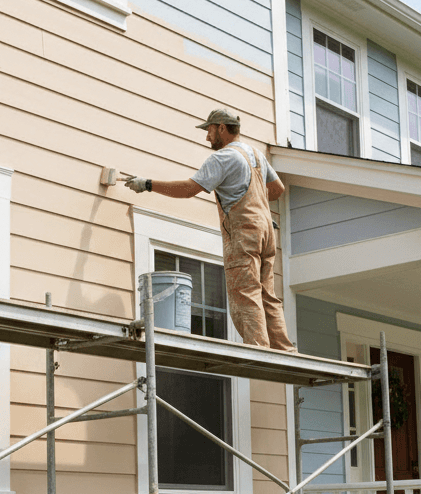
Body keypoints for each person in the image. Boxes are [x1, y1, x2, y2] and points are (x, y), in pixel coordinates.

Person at [125, 107, 295, 351]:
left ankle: (259, 351)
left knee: (246, 291)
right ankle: (284, 350)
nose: (207, 137)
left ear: (222, 128)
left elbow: (188, 189)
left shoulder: (223, 158)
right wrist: (259, 212)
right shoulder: (256, 154)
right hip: (267, 231)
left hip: (244, 233)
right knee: (267, 294)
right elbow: (277, 189)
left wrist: (148, 184)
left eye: (210, 130)